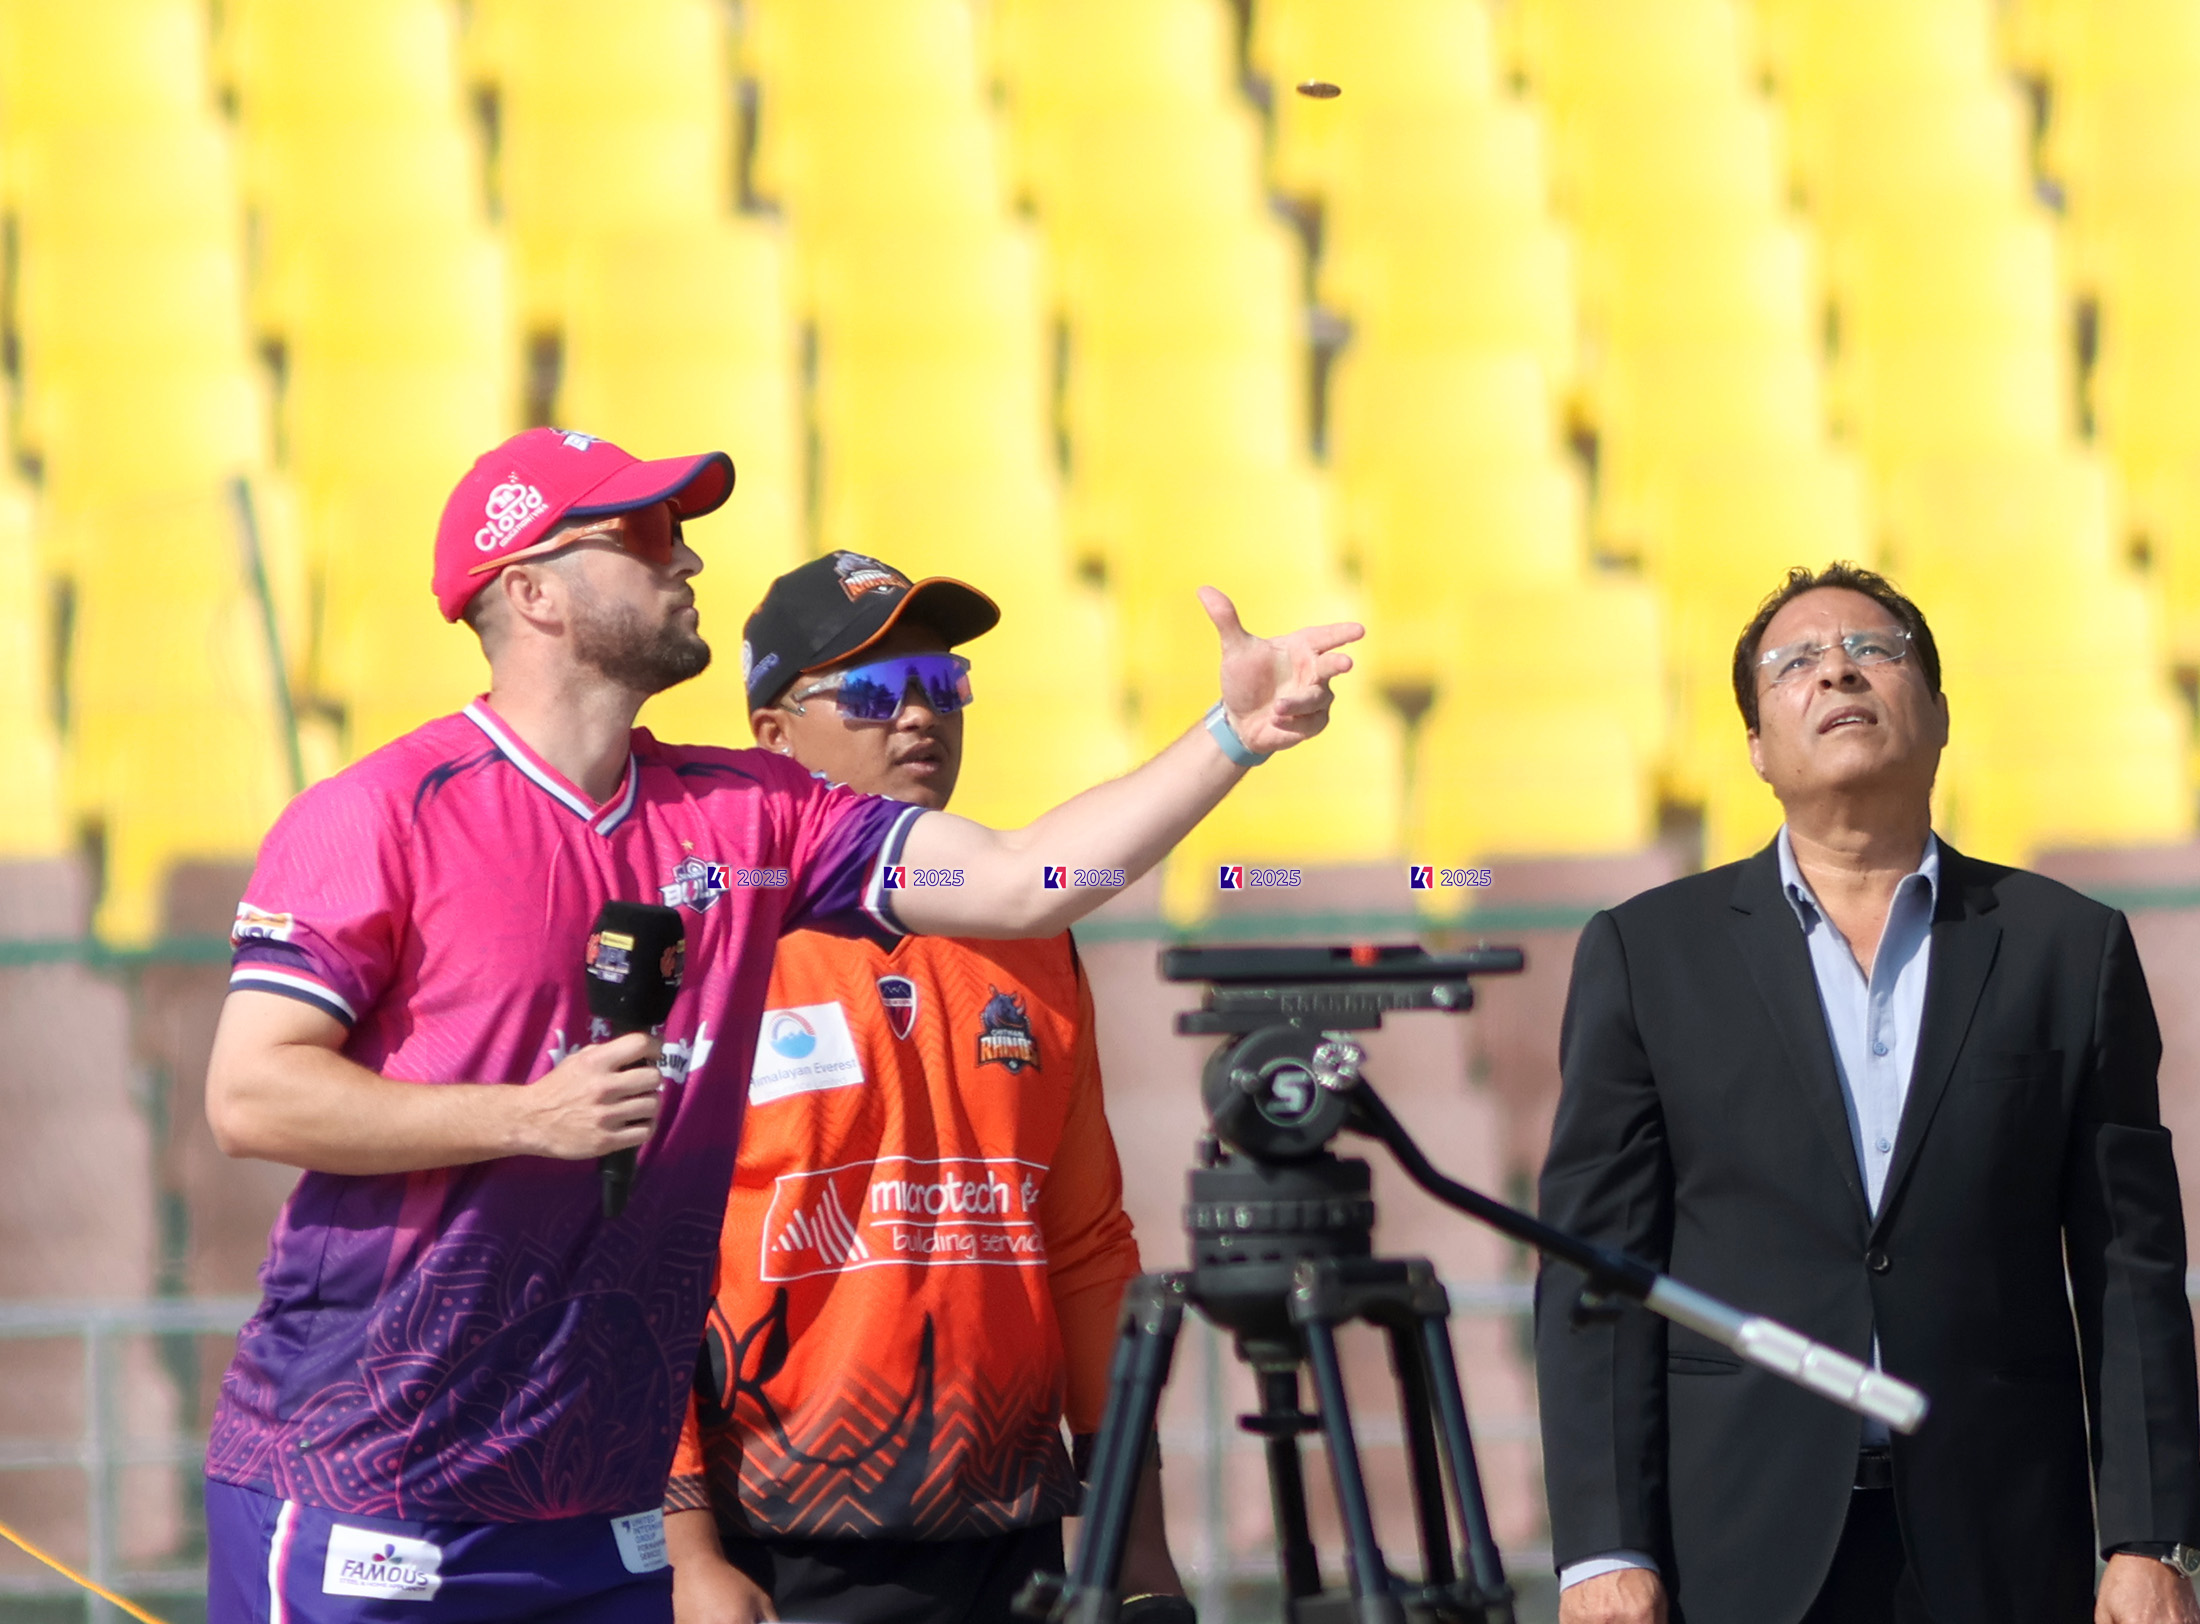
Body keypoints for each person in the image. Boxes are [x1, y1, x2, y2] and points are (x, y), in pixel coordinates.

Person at [200, 426, 1358, 1622]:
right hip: (372, 1482)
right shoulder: (379, 812)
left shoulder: (751, 811)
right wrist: (526, 1118)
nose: (686, 556)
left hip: (598, 1510)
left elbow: (1027, 880)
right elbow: (249, 1096)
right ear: (531, 590)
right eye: (644, 533)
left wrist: (1231, 738)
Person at [1535, 562, 2200, 1624]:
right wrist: (1602, 1548)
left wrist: (2151, 1536)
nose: (1837, 670)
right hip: (1733, 1545)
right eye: (1795, 663)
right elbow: (1594, 1275)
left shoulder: (2068, 949)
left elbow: (2130, 1265)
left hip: (2000, 1541)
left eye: (1873, 651)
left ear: (1938, 715)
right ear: (1756, 746)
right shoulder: (1647, 953)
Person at [660, 553, 1183, 1624]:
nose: (917, 718)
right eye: (872, 691)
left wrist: (1136, 1539)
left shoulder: (1032, 936)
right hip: (775, 1545)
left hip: (1010, 1536)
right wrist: (685, 1552)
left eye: (942, 685)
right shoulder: (714, 939)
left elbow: (1087, 1245)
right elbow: (639, 1259)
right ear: (773, 735)